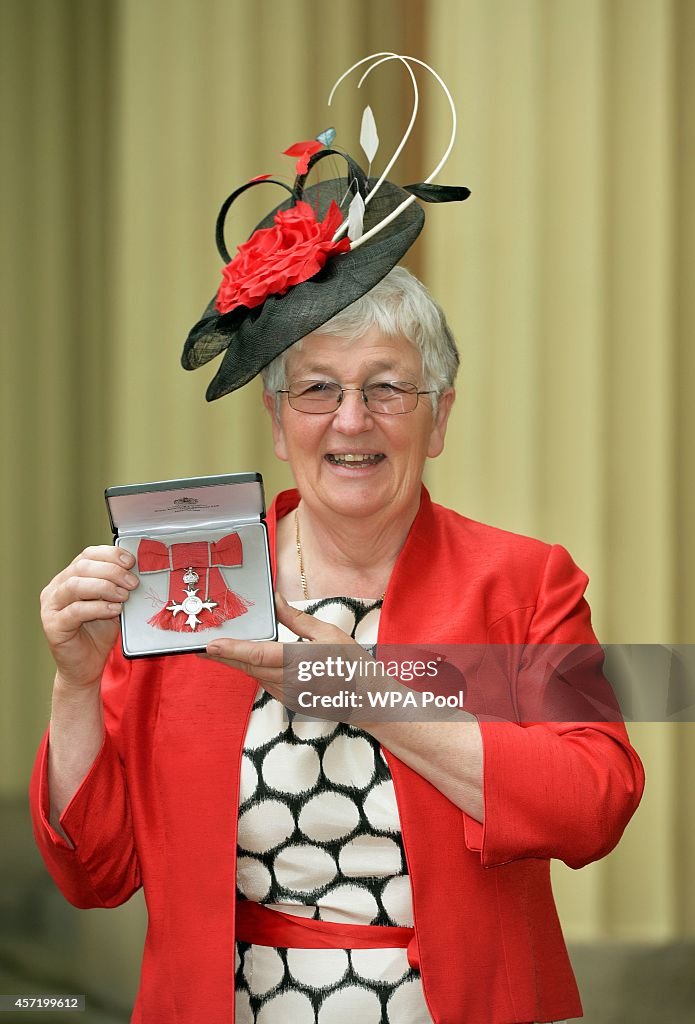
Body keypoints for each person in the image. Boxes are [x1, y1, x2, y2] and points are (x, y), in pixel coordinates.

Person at [31, 54, 644, 1024]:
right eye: (316, 388)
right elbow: (93, 872)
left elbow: (591, 802)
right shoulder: (188, 587)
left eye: (387, 387)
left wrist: (359, 689)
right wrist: (73, 680)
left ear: (436, 418)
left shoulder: (523, 580)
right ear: (277, 423)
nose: (350, 420)